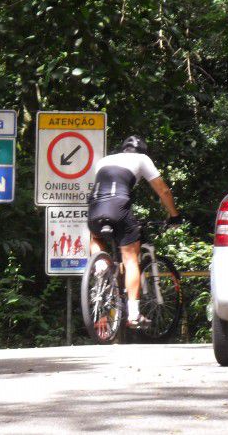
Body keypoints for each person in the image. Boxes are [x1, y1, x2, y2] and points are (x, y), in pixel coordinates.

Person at [87, 135, 182, 329]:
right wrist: (174, 215)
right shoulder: (142, 159)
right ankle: (134, 314)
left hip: (95, 207)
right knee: (130, 259)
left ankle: (100, 265)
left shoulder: (104, 160)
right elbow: (163, 191)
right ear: (143, 151)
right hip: (119, 208)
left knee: (96, 236)